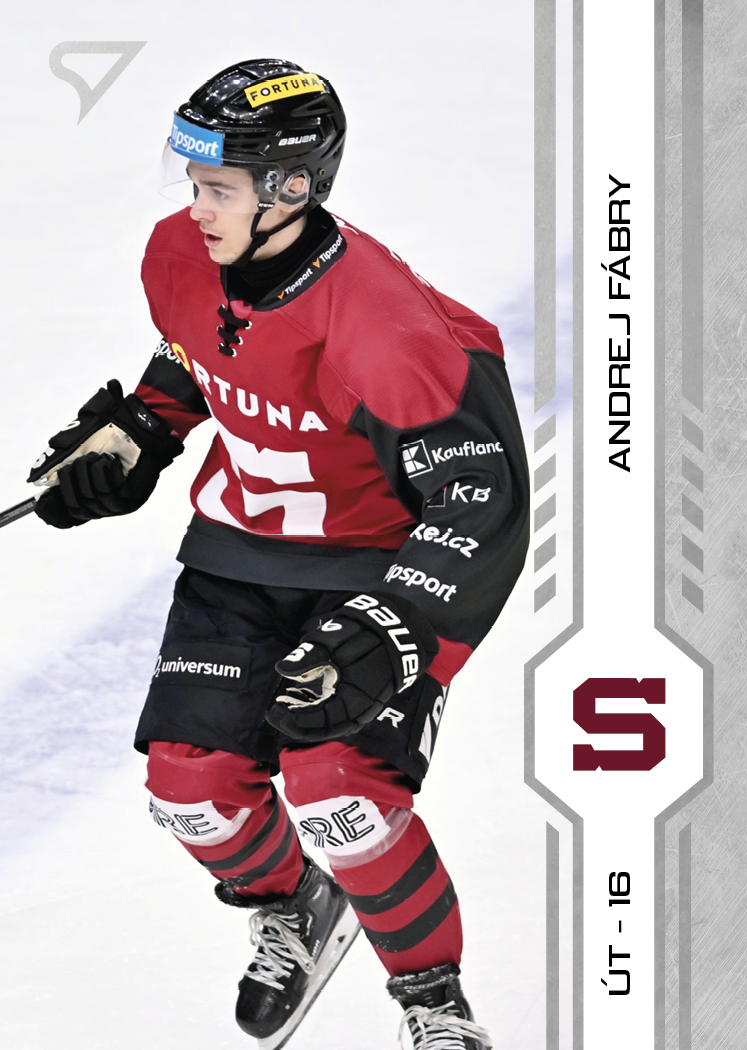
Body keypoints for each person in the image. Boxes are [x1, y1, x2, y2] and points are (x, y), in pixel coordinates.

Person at [28, 59, 530, 1050]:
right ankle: (295, 903)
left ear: (291, 189)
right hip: (239, 556)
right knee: (189, 791)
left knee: (342, 792)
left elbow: (479, 494)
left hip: (372, 571)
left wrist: (395, 624)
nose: (195, 206)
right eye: (193, 182)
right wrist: (138, 432)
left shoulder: (384, 326)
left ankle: (434, 1003)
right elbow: (199, 351)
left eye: (219, 188)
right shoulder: (182, 251)